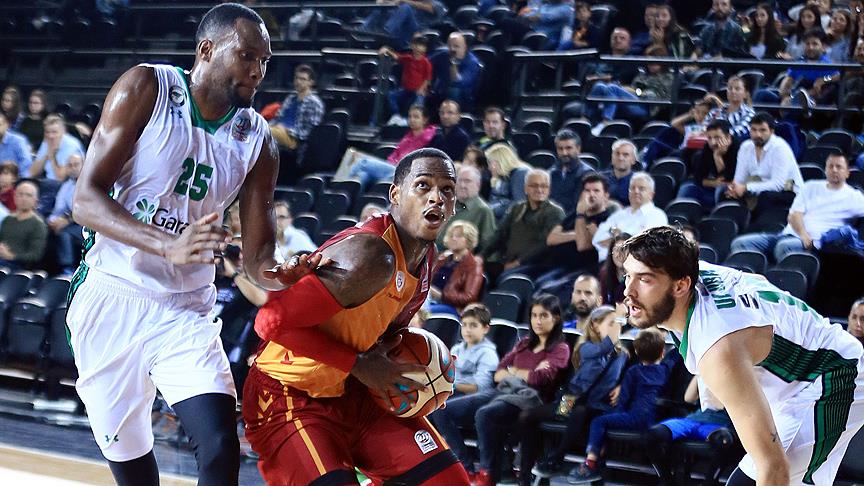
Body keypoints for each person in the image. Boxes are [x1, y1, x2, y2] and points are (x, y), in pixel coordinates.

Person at [66, 5, 302, 485]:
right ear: (207, 50)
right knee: (135, 468)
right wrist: (168, 244)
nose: (257, 71)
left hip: (185, 309)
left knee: (219, 446)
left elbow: (259, 260)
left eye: (264, 61)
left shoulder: (258, 140)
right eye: (247, 56)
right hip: (113, 295)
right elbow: (85, 200)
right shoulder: (146, 87)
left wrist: (293, 273)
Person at [243, 148, 471, 485]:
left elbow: (382, 339)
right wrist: (360, 364)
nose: (436, 197)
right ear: (395, 194)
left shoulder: (424, 259)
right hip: (288, 392)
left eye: (446, 189)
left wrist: (424, 374)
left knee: (447, 481)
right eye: (423, 185)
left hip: (352, 389)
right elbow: (269, 323)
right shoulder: (371, 254)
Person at [619, 225, 864, 485]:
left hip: (836, 374)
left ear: (681, 286)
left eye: (644, 279)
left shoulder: (718, 345)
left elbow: (773, 466)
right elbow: (756, 282)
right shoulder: (689, 272)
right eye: (627, 275)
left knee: (759, 476)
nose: (628, 291)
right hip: (796, 374)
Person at [430, 294, 570, 486]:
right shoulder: (524, 343)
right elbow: (499, 372)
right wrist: (524, 372)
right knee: (442, 409)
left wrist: (514, 371)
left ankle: (486, 472)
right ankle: (465, 466)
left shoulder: (560, 349)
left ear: (556, 318)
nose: (537, 321)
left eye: (543, 315)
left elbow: (540, 379)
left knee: (484, 414)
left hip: (529, 398)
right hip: (503, 391)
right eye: (534, 315)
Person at [529, 306, 629, 480]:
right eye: (611, 323)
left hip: (598, 405)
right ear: (595, 325)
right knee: (536, 415)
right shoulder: (586, 348)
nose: (617, 327)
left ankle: (557, 459)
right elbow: (604, 348)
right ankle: (538, 459)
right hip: (572, 400)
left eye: (617, 324)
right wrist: (620, 318)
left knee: (583, 413)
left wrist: (621, 386)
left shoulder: (623, 354)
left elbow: (625, 375)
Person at [567, 328, 674, 484]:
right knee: (605, 420)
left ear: (636, 352)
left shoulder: (634, 371)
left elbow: (622, 402)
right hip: (654, 420)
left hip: (635, 417)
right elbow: (675, 356)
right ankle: (597, 463)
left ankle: (591, 461)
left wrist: (613, 415)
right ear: (662, 353)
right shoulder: (665, 369)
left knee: (599, 421)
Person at [731, 152, 864, 262]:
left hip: (815, 243)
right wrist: (803, 235)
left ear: (847, 172)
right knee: (740, 243)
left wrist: (807, 239)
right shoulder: (811, 186)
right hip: (788, 235)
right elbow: (794, 215)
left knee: (783, 247)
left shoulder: (854, 196)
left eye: (839, 167)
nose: (834, 170)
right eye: (830, 166)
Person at [645, 375, 735, 485]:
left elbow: (720, 405)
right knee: (652, 435)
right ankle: (666, 479)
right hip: (693, 420)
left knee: (724, 440)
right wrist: (698, 374)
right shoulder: (704, 373)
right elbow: (689, 399)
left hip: (718, 423)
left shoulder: (733, 375)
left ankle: (709, 482)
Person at [482, 169, 565, 282]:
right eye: (534, 186)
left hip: (535, 265)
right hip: (508, 261)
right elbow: (500, 235)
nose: (539, 190)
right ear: (526, 188)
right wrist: (481, 256)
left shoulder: (554, 212)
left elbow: (544, 245)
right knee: (479, 272)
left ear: (549, 190)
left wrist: (518, 263)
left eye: (544, 186)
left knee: (506, 278)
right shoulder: (517, 208)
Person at [726, 112, 804, 229]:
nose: (757, 134)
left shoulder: (780, 148)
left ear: (771, 131)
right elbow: (739, 180)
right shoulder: (745, 147)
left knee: (765, 197)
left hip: (789, 192)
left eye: (762, 130)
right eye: (754, 130)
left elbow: (778, 185)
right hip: (758, 188)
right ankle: (730, 229)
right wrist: (734, 189)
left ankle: (755, 229)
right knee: (726, 195)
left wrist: (746, 188)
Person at [543, 172, 617, 281]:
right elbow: (551, 239)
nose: (591, 194)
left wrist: (581, 215)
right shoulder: (574, 214)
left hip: (577, 270)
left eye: (596, 191)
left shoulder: (607, 220)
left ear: (606, 195)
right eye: (587, 190)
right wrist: (577, 234)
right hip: (551, 264)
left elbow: (582, 245)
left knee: (543, 284)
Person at [343, 104, 436, 189]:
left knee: (363, 162)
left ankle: (341, 181)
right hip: (393, 167)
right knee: (363, 175)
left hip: (406, 173)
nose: (412, 119)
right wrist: (391, 162)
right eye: (410, 116)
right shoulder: (408, 136)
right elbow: (395, 154)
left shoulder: (429, 138)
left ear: (425, 120)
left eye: (416, 117)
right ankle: (347, 197)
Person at [593, 172, 669, 259]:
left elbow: (645, 246)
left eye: (641, 188)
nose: (636, 191)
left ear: (651, 194)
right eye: (632, 188)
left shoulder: (657, 215)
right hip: (606, 262)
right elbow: (597, 240)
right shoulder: (619, 214)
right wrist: (622, 240)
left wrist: (616, 238)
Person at [269, 64, 325, 178]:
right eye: (297, 78)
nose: (298, 82)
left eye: (303, 79)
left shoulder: (315, 103)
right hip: (278, 131)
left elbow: (309, 132)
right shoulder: (290, 98)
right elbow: (278, 118)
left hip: (294, 138)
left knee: (264, 131)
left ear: (311, 82)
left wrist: (286, 130)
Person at [677, 119, 740, 209]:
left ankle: (718, 216)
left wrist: (717, 156)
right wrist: (713, 183)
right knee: (687, 188)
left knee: (722, 189)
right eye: (709, 138)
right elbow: (698, 178)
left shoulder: (739, 149)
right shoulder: (708, 147)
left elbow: (727, 179)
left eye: (717, 137)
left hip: (732, 195)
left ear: (728, 137)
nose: (713, 142)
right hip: (712, 191)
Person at [436, 165, 497, 252]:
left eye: (467, 181)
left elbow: (488, 244)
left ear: (478, 185)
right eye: (460, 180)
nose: (462, 185)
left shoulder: (483, 210)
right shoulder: (446, 203)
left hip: (457, 257)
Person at [428, 220, 484, 315]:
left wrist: (441, 296)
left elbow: (469, 296)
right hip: (430, 300)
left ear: (469, 239)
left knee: (421, 312)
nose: (453, 239)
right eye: (451, 236)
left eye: (458, 236)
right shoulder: (443, 258)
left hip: (452, 307)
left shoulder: (474, 264)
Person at [450, 303, 499, 396]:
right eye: (464, 325)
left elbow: (481, 387)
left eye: (473, 325)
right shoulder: (456, 349)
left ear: (486, 329)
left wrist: (451, 386)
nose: (467, 330)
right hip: (452, 392)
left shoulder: (488, 354)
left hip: (471, 397)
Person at [381, 34, 432, 123]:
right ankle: (396, 116)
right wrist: (387, 50)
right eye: (416, 45)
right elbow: (397, 56)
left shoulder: (426, 63)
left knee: (418, 104)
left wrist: (421, 89)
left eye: (421, 45)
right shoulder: (408, 58)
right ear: (412, 46)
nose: (418, 47)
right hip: (405, 89)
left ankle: (415, 122)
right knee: (391, 96)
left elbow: (427, 79)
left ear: (425, 48)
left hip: (417, 91)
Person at [47, 154, 85, 274]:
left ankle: (67, 269)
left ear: (84, 165)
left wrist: (67, 220)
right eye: (70, 165)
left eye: (76, 165)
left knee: (65, 233)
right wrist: (53, 222)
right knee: (45, 228)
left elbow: (87, 210)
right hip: (70, 222)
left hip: (87, 225)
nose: (73, 168)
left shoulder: (89, 184)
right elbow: (58, 209)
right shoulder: (66, 186)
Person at [0, 179, 48, 270]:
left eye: (28, 195)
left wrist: (12, 256)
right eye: (20, 194)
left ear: (36, 200)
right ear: (14, 197)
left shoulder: (38, 224)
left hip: (19, 267)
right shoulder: (7, 220)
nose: (24, 198)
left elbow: (35, 255)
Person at [429, 33, 482, 112]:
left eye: (456, 46)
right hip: (442, 91)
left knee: (454, 90)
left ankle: (451, 115)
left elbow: (459, 82)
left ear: (465, 47)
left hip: (463, 97)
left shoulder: (472, 62)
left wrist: (453, 64)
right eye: (450, 46)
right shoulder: (444, 55)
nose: (452, 49)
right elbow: (426, 63)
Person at [548, 129, 594, 214]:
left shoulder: (587, 174)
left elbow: (579, 206)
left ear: (578, 149)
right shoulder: (552, 172)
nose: (564, 153)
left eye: (568, 148)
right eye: (560, 149)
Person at [29, 114, 85, 181]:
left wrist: (52, 157)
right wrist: (46, 155)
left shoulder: (71, 145)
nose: (50, 136)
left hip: (68, 183)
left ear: (63, 131)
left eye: (54, 132)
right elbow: (32, 173)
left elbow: (60, 178)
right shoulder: (47, 141)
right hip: (47, 180)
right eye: (47, 132)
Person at [703, 75, 756, 142]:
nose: (733, 91)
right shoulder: (714, 112)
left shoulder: (749, 113)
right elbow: (703, 128)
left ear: (745, 93)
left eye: (737, 89)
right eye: (730, 88)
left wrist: (714, 135)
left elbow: (737, 132)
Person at [486, 142, 530, 218]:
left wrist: (490, 210)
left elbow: (519, 205)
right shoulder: (501, 177)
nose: (489, 168)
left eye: (490, 163)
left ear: (500, 161)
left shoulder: (520, 174)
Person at [601, 139, 639, 205]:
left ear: (633, 160)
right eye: (617, 154)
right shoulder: (600, 178)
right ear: (612, 157)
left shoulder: (639, 181)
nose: (620, 158)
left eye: (625, 155)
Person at [600, 233, 631, 305]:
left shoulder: (638, 276)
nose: (619, 254)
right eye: (616, 250)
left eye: (623, 249)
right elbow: (604, 303)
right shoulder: (604, 274)